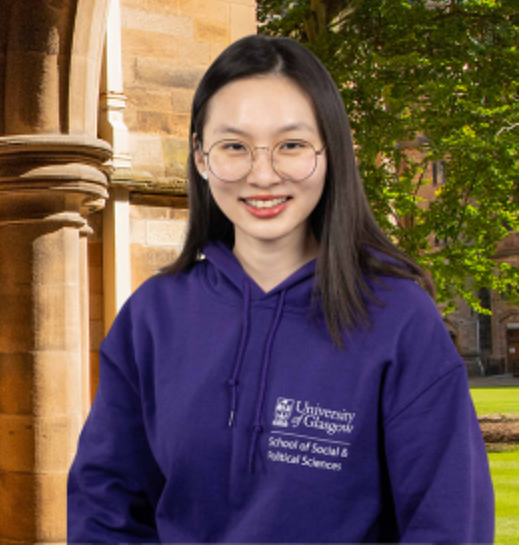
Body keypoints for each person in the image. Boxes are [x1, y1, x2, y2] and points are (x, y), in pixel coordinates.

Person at [66, 34, 495, 542]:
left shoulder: (399, 317)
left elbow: (448, 522)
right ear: (202, 159)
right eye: (234, 147)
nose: (262, 174)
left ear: (331, 151)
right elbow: (105, 508)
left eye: (290, 145)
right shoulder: (152, 318)